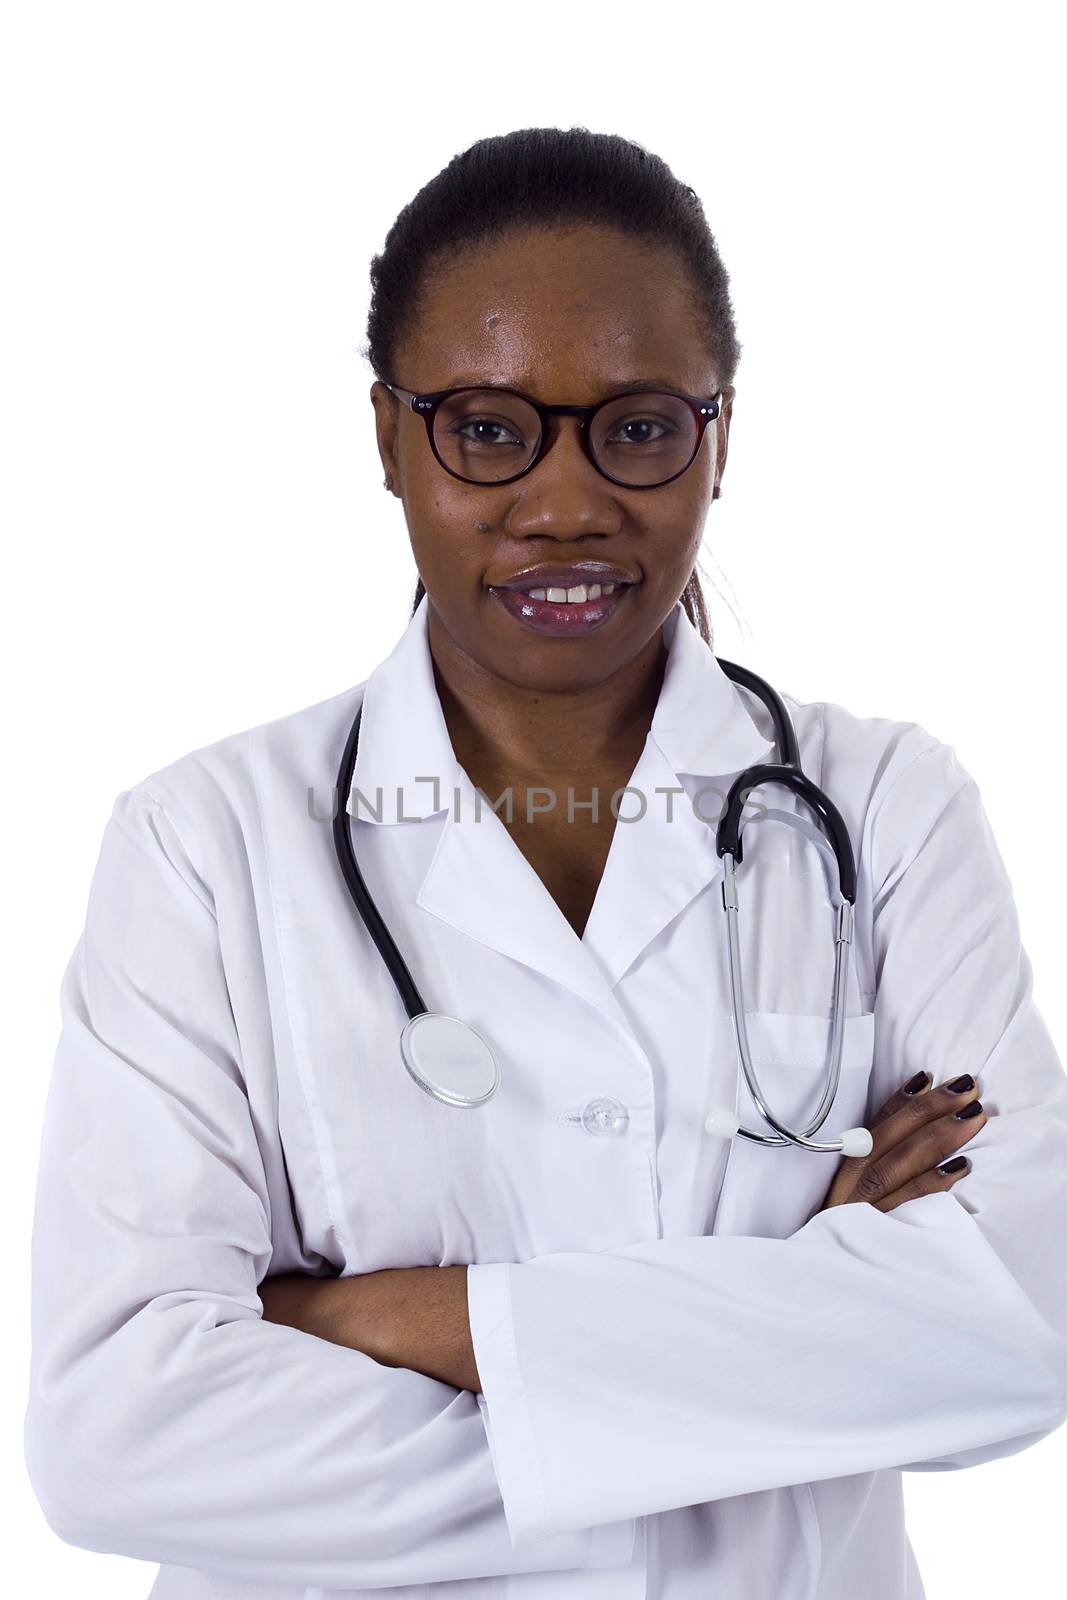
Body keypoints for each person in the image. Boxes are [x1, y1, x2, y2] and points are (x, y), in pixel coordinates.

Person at [24, 127, 1067, 1600]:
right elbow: (118, 1436)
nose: (569, 504)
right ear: (390, 437)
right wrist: (794, 1363)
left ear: (720, 434)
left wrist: (392, 1317)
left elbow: (1016, 1329)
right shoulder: (203, 851)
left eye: (638, 427)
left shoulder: (887, 810)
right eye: (489, 426)